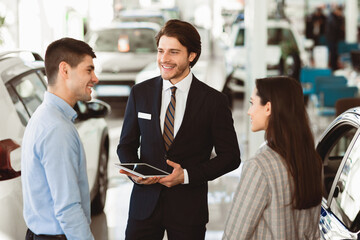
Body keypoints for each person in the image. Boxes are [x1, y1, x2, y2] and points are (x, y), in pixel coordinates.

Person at [117, 19, 241, 240]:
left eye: (173, 52)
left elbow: (231, 157)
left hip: (188, 210)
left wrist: (185, 176)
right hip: (144, 207)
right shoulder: (140, 93)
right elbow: (126, 145)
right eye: (161, 51)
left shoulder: (213, 101)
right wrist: (136, 173)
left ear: (191, 55)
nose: (164, 59)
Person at [223, 76, 322, 239]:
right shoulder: (312, 161)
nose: (249, 111)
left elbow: (235, 235)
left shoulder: (259, 167)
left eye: (252, 103)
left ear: (268, 108)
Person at [21, 37, 98, 240]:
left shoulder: (44, 116)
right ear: (65, 70)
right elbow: (68, 208)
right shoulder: (57, 128)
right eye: (88, 70)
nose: (95, 78)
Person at [325, 4, 345, 71]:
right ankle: (333, 68)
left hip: (334, 39)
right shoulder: (332, 17)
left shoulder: (335, 17)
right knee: (333, 53)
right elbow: (336, 27)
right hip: (331, 39)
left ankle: (334, 67)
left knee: (335, 53)